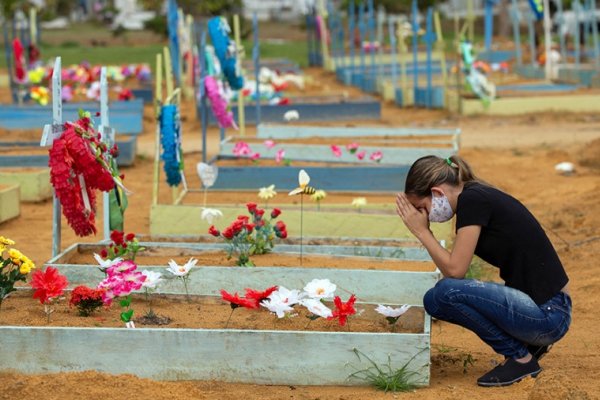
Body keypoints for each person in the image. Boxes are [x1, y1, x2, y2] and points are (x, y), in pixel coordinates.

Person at [395, 155, 571, 387]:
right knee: (439, 297)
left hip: (549, 316)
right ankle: (528, 346)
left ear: (437, 193)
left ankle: (521, 358)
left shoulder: (473, 201)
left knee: (443, 294)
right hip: (548, 311)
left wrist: (422, 232)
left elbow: (455, 271)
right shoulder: (475, 195)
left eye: (421, 208)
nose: (424, 216)